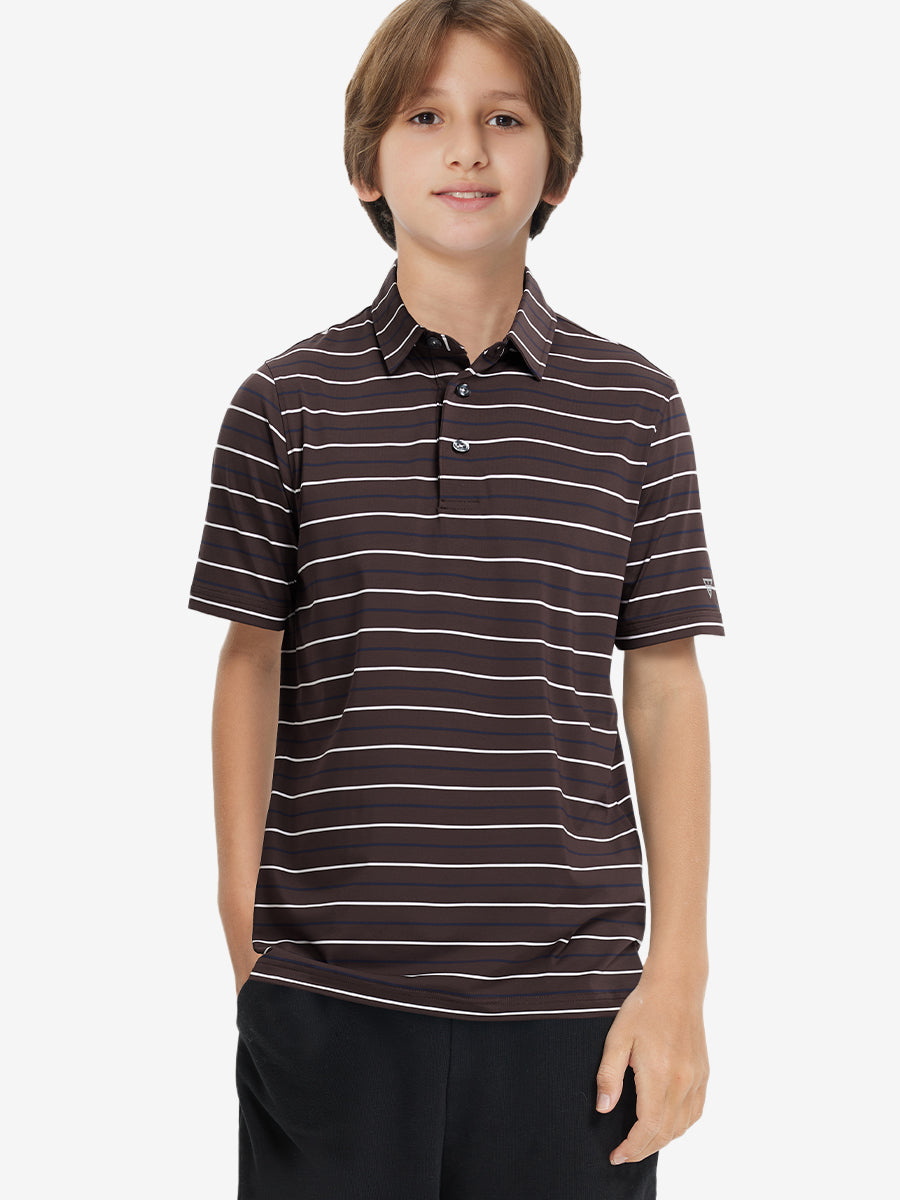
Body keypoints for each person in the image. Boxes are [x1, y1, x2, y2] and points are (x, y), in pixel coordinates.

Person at [187, 1, 724, 1195]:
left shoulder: (635, 408)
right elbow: (250, 665)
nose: (467, 150)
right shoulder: (283, 405)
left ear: (558, 166)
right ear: (367, 162)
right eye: (425, 117)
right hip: (331, 999)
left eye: (505, 119)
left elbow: (665, 683)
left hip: (576, 1019)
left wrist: (677, 977)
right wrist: (248, 947)